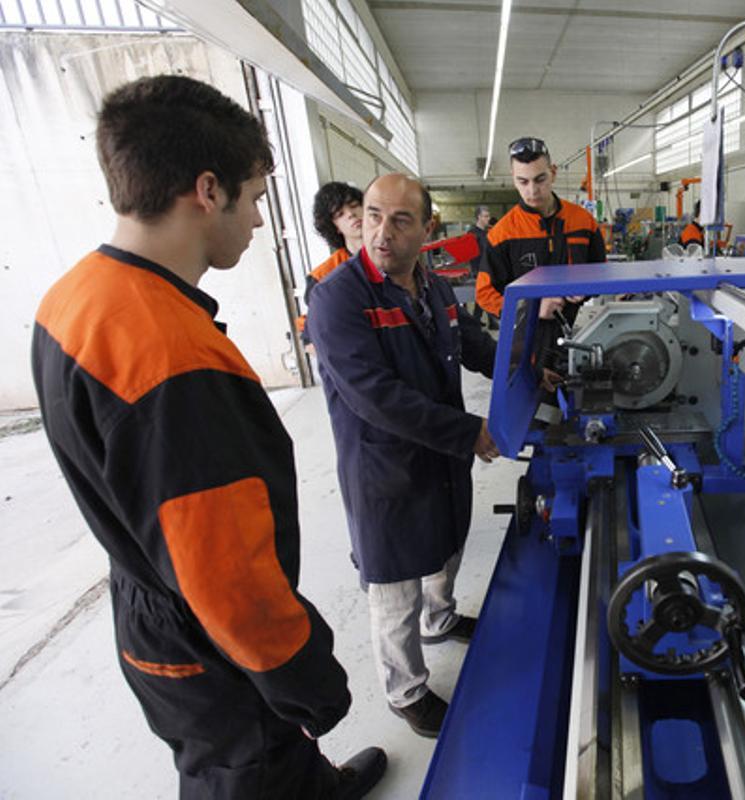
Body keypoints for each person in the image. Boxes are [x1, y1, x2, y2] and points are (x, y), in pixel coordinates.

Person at [30, 75, 385, 799]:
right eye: (255, 197)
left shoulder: (75, 296)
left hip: (148, 613)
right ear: (207, 189)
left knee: (255, 759)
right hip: (210, 649)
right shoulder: (173, 359)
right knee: (247, 768)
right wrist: (310, 684)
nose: (259, 221)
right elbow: (230, 582)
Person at [305, 173, 499, 740]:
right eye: (371, 216)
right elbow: (379, 399)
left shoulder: (433, 287)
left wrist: (523, 365)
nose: (381, 233)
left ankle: (442, 619)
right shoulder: (338, 298)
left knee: (446, 549)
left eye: (400, 220)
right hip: (383, 469)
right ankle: (406, 691)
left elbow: (468, 341)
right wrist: (471, 432)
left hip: (438, 458)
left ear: (427, 229)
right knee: (394, 591)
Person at [474, 136, 606, 327]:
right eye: (523, 182)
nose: (532, 190)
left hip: (580, 328)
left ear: (553, 173)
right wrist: (530, 309)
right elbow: (485, 293)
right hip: (527, 336)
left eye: (540, 179)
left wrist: (585, 288)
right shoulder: (502, 234)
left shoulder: (583, 221)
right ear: (513, 178)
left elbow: (601, 273)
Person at [299, 182, 363, 339]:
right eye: (340, 214)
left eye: (354, 205)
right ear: (334, 227)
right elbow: (312, 336)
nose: (350, 214)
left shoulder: (395, 257)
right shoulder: (322, 278)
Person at [466, 205, 493, 326]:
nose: (488, 218)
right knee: (484, 295)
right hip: (479, 270)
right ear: (478, 217)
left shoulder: (487, 233)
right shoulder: (472, 234)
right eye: (485, 216)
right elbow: (471, 255)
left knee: (485, 296)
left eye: (488, 216)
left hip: (487, 268)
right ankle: (478, 320)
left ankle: (477, 320)